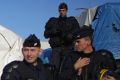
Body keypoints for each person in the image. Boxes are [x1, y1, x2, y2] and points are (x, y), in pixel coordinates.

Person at [44, 2, 80, 70]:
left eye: (63, 10)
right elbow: (45, 34)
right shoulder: (53, 21)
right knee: (54, 69)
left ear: (66, 10)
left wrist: (71, 35)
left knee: (67, 69)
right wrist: (53, 32)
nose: (62, 12)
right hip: (56, 49)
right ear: (58, 11)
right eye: (60, 10)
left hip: (68, 48)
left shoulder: (72, 20)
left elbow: (78, 33)